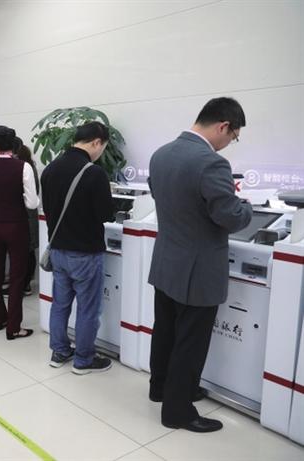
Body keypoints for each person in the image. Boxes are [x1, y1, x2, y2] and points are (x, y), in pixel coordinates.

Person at [147, 97, 252, 433]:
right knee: (191, 341)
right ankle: (178, 411)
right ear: (224, 126)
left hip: (166, 261)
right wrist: (246, 206)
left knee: (165, 331)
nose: (230, 143)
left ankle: (160, 388)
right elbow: (230, 217)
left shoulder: (160, 154)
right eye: (233, 136)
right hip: (198, 269)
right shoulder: (212, 163)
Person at [41, 121, 114, 374]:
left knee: (60, 304)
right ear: (96, 142)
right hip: (85, 254)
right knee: (88, 309)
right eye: (102, 147)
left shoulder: (50, 169)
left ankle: (59, 351)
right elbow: (106, 214)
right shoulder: (94, 173)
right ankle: (84, 359)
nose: (101, 152)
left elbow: (48, 210)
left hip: (58, 251)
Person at [0, 126, 39, 340]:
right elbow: (32, 203)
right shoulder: (24, 167)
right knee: (17, 277)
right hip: (17, 226)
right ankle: (14, 327)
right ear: (13, 146)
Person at [13, 138, 39, 296]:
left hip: (25, 214)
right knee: (28, 251)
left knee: (25, 252)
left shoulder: (22, 167)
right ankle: (25, 283)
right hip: (29, 214)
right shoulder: (29, 164)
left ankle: (24, 285)